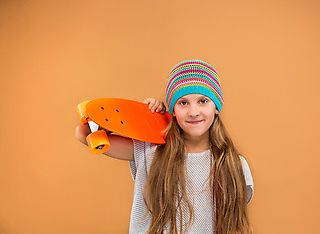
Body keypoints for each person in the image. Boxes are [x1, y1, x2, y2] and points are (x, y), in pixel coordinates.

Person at [75, 60, 254, 234]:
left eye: (203, 101)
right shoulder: (150, 151)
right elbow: (83, 133)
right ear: (172, 110)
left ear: (216, 107)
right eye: (183, 102)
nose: (193, 112)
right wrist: (141, 118)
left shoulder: (234, 164)